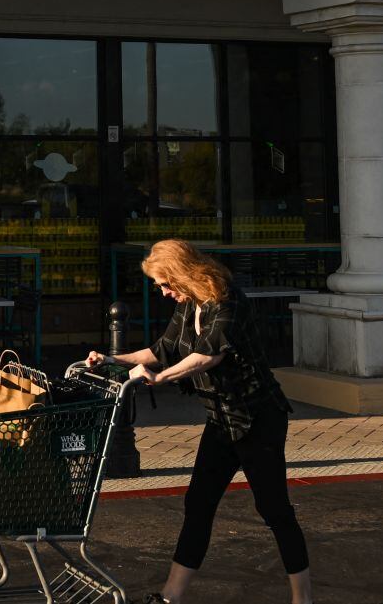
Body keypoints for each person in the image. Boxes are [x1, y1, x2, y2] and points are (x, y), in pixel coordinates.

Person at [85, 239, 312, 604]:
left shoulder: (227, 299)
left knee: (274, 510)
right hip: (221, 420)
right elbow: (162, 350)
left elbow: (208, 356)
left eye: (164, 283)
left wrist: (161, 379)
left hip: (257, 419)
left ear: (180, 273)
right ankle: (171, 596)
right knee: (199, 503)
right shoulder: (188, 304)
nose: (162, 292)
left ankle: (303, 599)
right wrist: (113, 359)